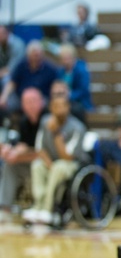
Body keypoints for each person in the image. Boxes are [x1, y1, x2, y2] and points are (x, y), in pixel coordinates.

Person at [21, 94, 84, 226]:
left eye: (62, 106)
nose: (59, 109)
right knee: (37, 165)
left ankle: (48, 209)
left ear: (68, 107)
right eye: (56, 106)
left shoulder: (77, 127)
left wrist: (56, 133)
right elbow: (40, 149)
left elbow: (67, 156)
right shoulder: (45, 122)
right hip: (51, 162)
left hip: (70, 164)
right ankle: (38, 206)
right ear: (51, 108)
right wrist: (49, 164)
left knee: (60, 166)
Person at [0, 88, 43, 218]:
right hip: (31, 161)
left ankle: (40, 207)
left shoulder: (46, 121)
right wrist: (11, 151)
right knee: (9, 165)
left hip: (46, 162)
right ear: (22, 105)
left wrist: (18, 156)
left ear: (41, 102)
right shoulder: (24, 122)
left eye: (33, 101)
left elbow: (43, 152)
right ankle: (5, 207)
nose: (30, 105)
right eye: (27, 102)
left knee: (36, 165)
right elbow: (23, 145)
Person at [0, 41, 59, 113]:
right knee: (5, 105)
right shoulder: (22, 65)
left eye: (38, 55)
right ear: (28, 56)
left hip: (42, 98)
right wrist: (4, 97)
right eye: (34, 55)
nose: (36, 58)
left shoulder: (50, 69)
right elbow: (12, 82)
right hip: (21, 98)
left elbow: (56, 86)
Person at [56, 43, 92, 125]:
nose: (66, 61)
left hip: (80, 102)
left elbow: (83, 90)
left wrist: (69, 96)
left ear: (73, 57)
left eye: (68, 58)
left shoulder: (82, 70)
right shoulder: (60, 71)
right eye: (63, 59)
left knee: (74, 109)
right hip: (63, 100)